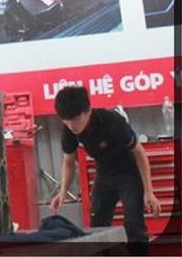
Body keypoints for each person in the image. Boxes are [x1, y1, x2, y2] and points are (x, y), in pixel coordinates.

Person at [50, 86, 161, 250]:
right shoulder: (69, 131)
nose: (72, 125)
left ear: (88, 110)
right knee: (97, 227)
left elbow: (139, 152)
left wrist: (149, 191)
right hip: (104, 174)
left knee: (134, 227)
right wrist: (63, 192)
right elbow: (68, 162)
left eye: (76, 118)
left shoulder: (112, 121)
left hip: (128, 172)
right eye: (66, 120)